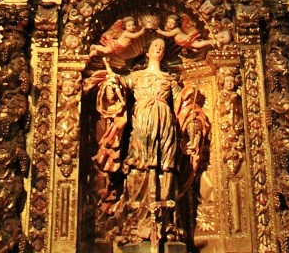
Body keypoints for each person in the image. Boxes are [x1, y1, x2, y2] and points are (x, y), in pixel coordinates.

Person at [86, 38, 209, 248]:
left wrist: (192, 115)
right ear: (147, 51)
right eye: (155, 46)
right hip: (141, 122)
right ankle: (137, 219)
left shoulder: (169, 80)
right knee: (138, 165)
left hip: (165, 124)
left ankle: (166, 222)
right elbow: (120, 92)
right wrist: (112, 85)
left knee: (165, 167)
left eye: (162, 46)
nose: (159, 48)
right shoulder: (136, 76)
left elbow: (182, 105)